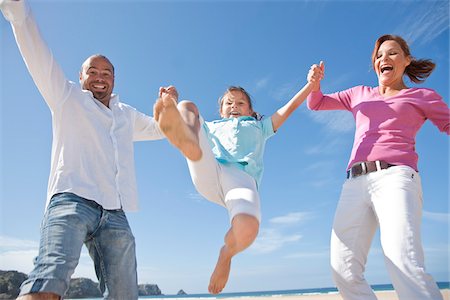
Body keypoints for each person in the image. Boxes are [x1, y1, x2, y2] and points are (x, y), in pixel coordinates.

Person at [1, 0, 165, 299]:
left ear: (114, 79)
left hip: (115, 213)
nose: (100, 76)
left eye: (107, 72)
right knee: (47, 282)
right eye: (93, 70)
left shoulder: (125, 114)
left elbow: (161, 128)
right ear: (81, 76)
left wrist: (170, 109)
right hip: (70, 200)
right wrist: (16, 9)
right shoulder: (66, 96)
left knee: (124, 295)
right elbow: (34, 47)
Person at [306, 34, 449, 300]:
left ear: (407, 61)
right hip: (354, 183)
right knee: (343, 270)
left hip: (396, 178)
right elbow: (317, 103)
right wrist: (314, 85)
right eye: (379, 56)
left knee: (402, 260)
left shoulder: (422, 96)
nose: (385, 59)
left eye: (393, 53)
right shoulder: (358, 94)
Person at [153, 80, 314, 294]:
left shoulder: (260, 126)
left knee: (247, 227)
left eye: (240, 103)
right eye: (229, 103)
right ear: (220, 111)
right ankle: (188, 140)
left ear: (251, 110)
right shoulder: (212, 127)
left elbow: (290, 107)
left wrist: (310, 85)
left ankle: (226, 254)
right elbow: (182, 115)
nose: (234, 106)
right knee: (187, 106)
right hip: (208, 168)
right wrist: (170, 99)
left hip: (240, 179)